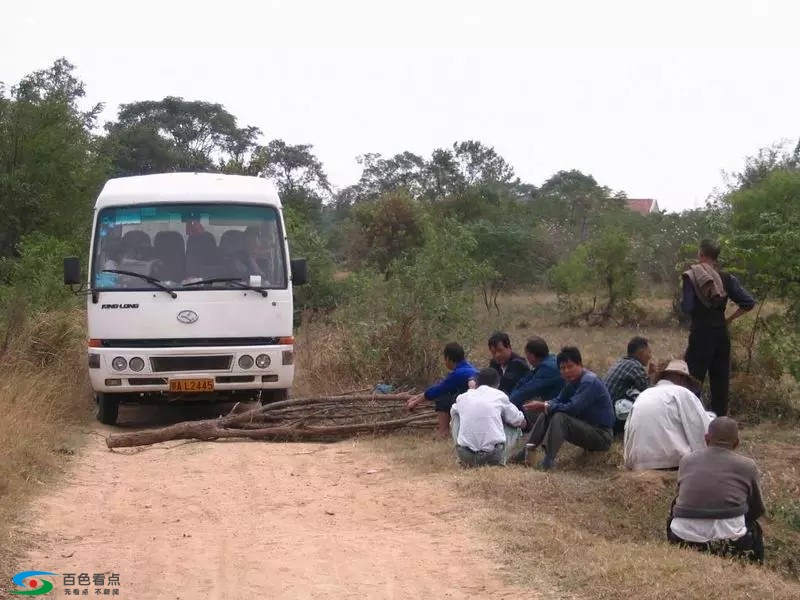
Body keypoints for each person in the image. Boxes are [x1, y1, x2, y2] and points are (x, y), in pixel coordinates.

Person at [666, 416, 766, 564]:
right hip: (730, 540)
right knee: (754, 528)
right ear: (736, 443)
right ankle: (755, 570)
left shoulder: (686, 460)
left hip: (683, 536)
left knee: (675, 503)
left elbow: (679, 499)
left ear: (706, 439)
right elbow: (757, 509)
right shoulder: (747, 466)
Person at [682, 239, 756, 417]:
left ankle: (691, 419)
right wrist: (729, 319)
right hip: (721, 335)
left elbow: (687, 307)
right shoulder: (727, 278)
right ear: (715, 257)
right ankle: (720, 424)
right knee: (720, 383)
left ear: (701, 254)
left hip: (700, 334)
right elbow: (748, 302)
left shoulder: (691, 276)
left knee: (692, 380)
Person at [519, 346, 615, 470]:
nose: (566, 371)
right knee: (547, 412)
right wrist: (546, 405)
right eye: (563, 368)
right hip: (588, 428)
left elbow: (572, 408)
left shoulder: (589, 382)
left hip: (602, 435)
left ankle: (548, 460)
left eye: (570, 367)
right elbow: (559, 400)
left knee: (560, 417)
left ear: (580, 364)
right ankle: (526, 451)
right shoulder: (573, 381)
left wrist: (546, 405)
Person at [623, 359, 712, 471]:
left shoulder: (643, 395)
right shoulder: (682, 393)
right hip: (671, 462)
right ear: (681, 378)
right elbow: (702, 429)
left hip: (639, 464)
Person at [449, 368, 526, 467]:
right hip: (494, 456)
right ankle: (501, 461)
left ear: (476, 383)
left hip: (466, 455)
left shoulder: (463, 397)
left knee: (456, 415)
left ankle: (463, 456)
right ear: (498, 384)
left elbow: (452, 417)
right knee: (514, 420)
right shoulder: (500, 396)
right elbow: (520, 421)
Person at [406, 342, 478, 438]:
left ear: (447, 358)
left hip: (471, 405)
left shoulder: (459, 374)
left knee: (442, 399)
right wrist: (417, 397)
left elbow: (438, 390)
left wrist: (415, 403)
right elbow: (441, 386)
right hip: (477, 404)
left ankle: (443, 431)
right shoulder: (469, 369)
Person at [604, 336, 654, 435]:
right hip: (612, 418)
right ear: (640, 353)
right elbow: (650, 394)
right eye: (649, 352)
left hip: (603, 414)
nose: (650, 356)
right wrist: (654, 376)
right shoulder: (634, 366)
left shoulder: (622, 362)